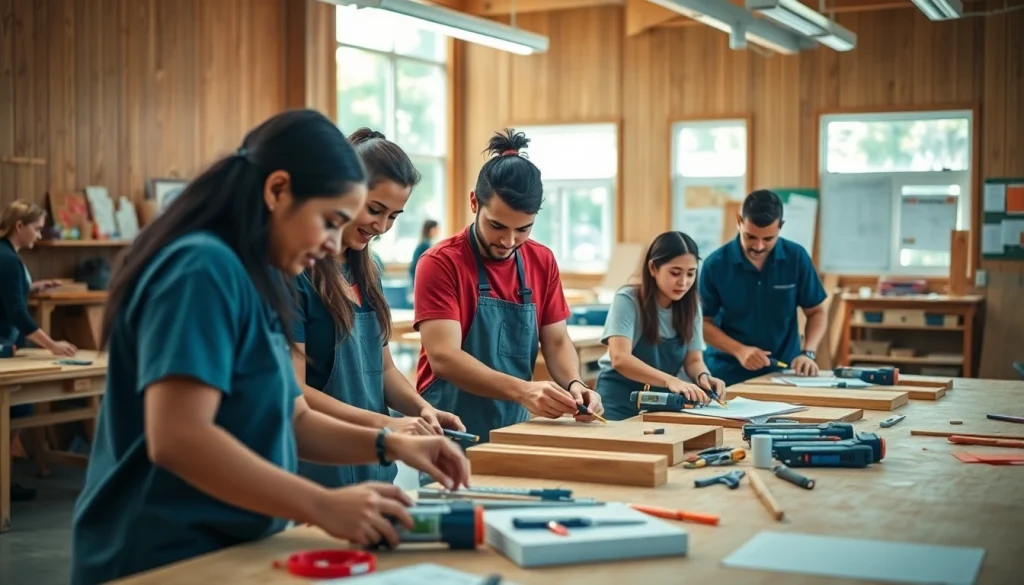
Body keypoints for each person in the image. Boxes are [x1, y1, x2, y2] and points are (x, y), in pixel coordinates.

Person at [69, 110, 470, 585]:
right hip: (160, 554)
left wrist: (391, 444)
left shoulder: (262, 278)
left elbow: (293, 417)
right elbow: (179, 438)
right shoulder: (202, 268)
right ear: (278, 191)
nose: (330, 244)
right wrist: (320, 504)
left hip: (232, 546)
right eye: (328, 221)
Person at [293, 128, 464, 489]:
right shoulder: (297, 274)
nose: (382, 226)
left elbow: (384, 371)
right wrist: (386, 426)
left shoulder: (368, 273)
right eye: (374, 209)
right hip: (321, 474)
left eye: (394, 216)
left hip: (376, 467)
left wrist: (421, 410)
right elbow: (295, 393)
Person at [413, 129, 604, 446]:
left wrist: (574, 383)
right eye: (497, 226)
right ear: (475, 202)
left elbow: (556, 341)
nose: (509, 241)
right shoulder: (440, 262)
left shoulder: (541, 260)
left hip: (513, 428)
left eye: (523, 229)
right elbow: (443, 357)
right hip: (450, 429)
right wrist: (525, 390)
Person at [699, 189, 827, 386]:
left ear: (780, 227)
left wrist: (808, 352)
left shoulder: (796, 258)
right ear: (739, 221)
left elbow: (817, 312)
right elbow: (702, 323)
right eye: (750, 237)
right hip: (727, 374)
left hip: (784, 372)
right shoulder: (714, 265)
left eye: (768, 239)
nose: (758, 246)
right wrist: (739, 350)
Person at [595, 231, 726, 421]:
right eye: (675, 273)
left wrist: (703, 377)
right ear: (653, 268)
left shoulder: (692, 306)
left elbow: (693, 360)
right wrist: (670, 380)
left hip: (662, 404)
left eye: (691, 273)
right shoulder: (628, 299)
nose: (683, 282)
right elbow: (620, 358)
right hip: (619, 403)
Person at [1, 200, 78, 502]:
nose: (39, 234)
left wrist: (34, 287)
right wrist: (52, 345)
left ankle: (5, 478)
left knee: (20, 410)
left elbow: (8, 294)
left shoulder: (8, 257)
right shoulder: (7, 259)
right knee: (17, 408)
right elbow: (18, 313)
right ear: (19, 226)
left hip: (10, 344)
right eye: (36, 228)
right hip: (4, 345)